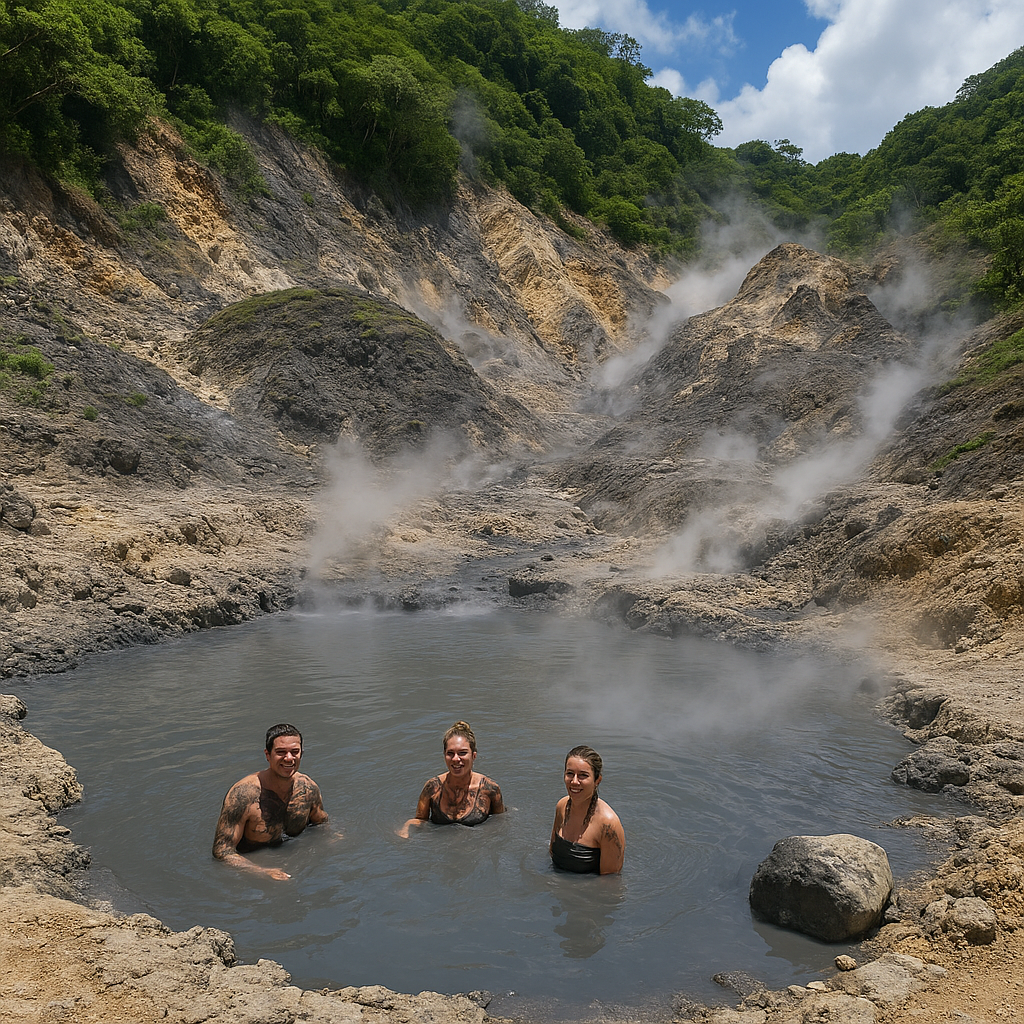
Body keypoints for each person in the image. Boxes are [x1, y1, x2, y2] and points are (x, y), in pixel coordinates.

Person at [212, 723, 329, 879]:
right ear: (267, 755)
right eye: (280, 752)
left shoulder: (308, 788)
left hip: (298, 866)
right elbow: (222, 851)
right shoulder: (243, 795)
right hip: (254, 870)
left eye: (295, 752)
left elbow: (321, 825)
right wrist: (262, 872)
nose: (289, 758)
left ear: (301, 753)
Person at [398, 720, 505, 837]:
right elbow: (420, 820)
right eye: (450, 753)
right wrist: (406, 828)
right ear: (444, 755)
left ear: (474, 756)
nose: (455, 759)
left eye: (462, 753)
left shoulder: (490, 789)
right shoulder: (432, 788)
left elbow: (500, 822)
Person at [549, 745, 625, 875]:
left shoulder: (608, 825)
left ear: (597, 780)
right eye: (570, 774)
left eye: (583, 775)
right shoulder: (562, 806)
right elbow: (551, 852)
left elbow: (610, 883)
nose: (574, 781)